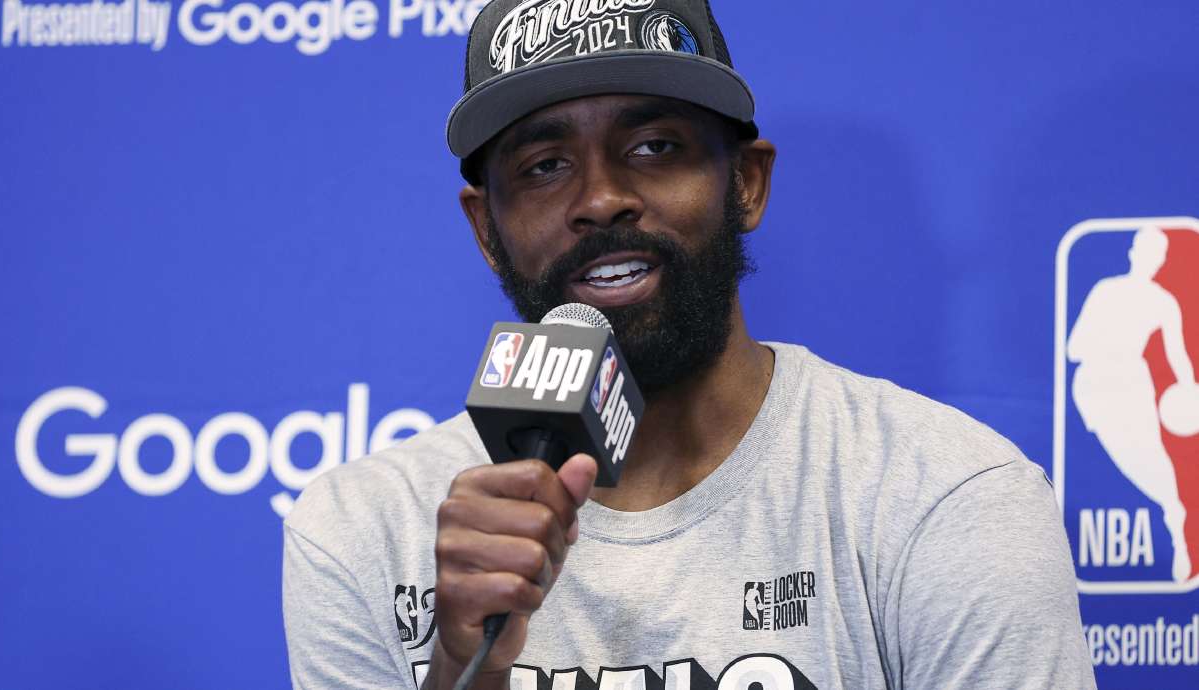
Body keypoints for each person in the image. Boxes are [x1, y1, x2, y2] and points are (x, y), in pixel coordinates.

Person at [283, 1, 1095, 688]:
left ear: (746, 183)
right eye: (544, 164)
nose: (601, 198)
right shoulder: (365, 527)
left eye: (655, 147)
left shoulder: (942, 493)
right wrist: (467, 668)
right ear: (485, 232)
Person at [1068, 225, 1196, 582]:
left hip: (1132, 385)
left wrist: (1189, 390)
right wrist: (1108, 341)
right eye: (1145, 250)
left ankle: (1176, 524)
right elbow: (1074, 347)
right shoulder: (1105, 291)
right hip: (1092, 386)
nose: (1150, 259)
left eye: (1158, 254)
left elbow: (1178, 355)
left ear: (1162, 260)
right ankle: (1172, 511)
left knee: (1152, 459)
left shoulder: (1163, 302)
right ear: (1133, 253)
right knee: (1119, 459)